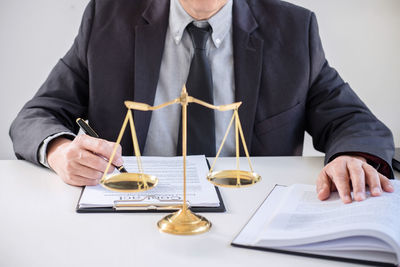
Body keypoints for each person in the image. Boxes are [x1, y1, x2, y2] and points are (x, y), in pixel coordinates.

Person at [10, 0, 395, 203]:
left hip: (252, 211)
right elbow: (37, 115)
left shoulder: (294, 30)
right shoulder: (105, 18)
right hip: (129, 216)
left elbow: (352, 120)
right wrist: (60, 152)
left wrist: (353, 157)